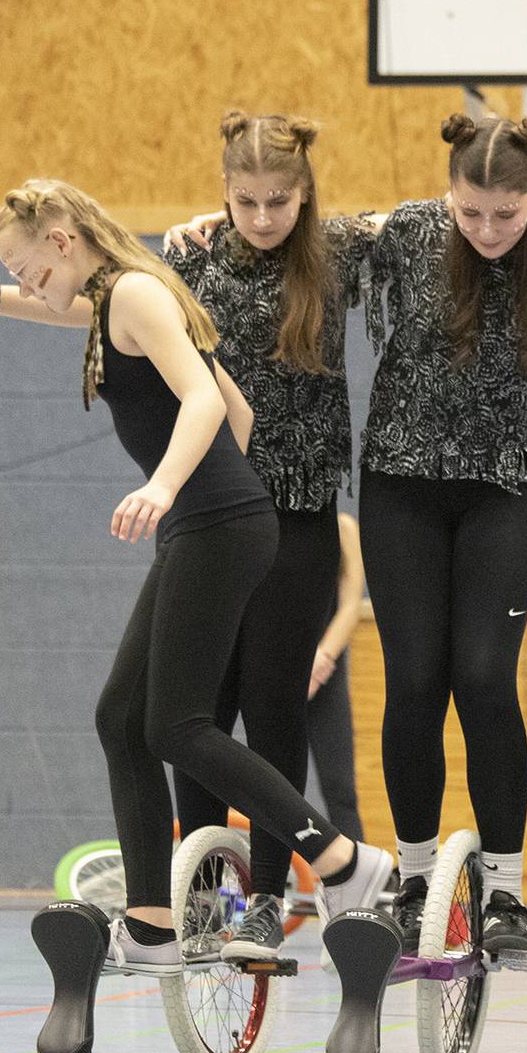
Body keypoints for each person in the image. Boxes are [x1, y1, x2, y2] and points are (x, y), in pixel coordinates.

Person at [0, 180, 394, 980]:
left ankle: (340, 858)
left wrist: (170, 486)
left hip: (212, 521)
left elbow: (206, 398)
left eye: (21, 263)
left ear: (62, 239)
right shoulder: (113, 297)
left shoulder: (135, 293)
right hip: (211, 521)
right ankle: (151, 922)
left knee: (177, 725)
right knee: (121, 718)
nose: (23, 278)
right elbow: (237, 409)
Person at [352, 113, 527, 957]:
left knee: (482, 677)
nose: (485, 231)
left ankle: (505, 893)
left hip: (505, 492)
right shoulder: (407, 231)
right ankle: (409, 877)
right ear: (449, 196)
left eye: (504, 216)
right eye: (469, 213)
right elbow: (303, 236)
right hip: (402, 486)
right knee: (413, 680)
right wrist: (210, 220)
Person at [157, 112, 376, 956]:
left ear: (305, 192)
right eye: (243, 202)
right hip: (212, 505)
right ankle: (204, 894)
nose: (260, 218)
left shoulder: (339, 251)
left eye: (278, 201)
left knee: (273, 700)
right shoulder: (189, 258)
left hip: (300, 511)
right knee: (197, 705)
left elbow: (431, 222)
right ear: (221, 193)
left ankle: (270, 894)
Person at [307, 510, 366, 844]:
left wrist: (323, 658)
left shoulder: (343, 528)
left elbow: (350, 605)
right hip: (273, 664)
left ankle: (359, 871)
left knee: (340, 786)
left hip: (323, 671)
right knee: (277, 782)